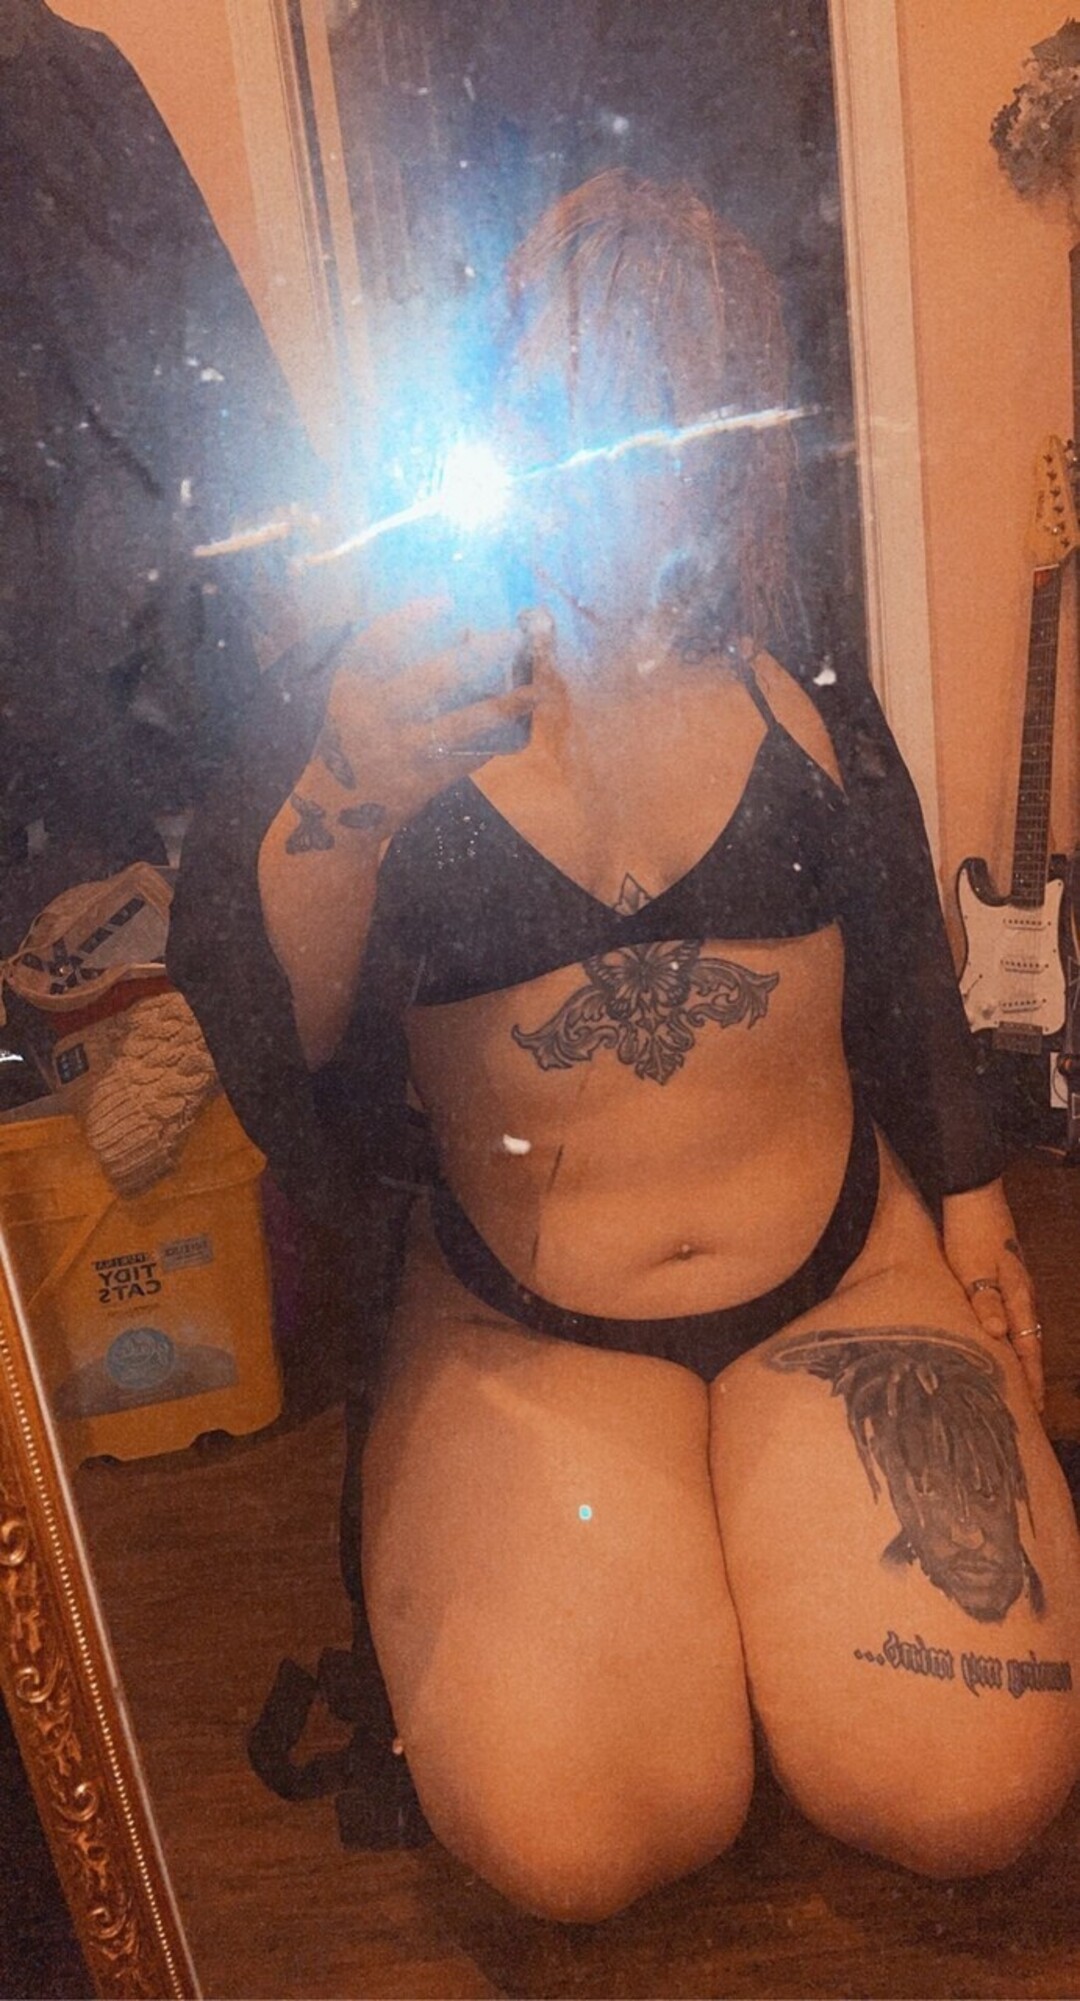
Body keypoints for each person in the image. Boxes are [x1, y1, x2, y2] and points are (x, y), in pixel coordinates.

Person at [189, 171, 1080, 1919]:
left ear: (724, 443)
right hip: (524, 1326)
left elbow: (905, 953)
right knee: (579, 1831)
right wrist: (343, 795)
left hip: (841, 1282)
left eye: (649, 414)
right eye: (551, 412)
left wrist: (975, 1200)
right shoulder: (387, 693)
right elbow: (277, 1050)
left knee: (976, 1781)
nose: (594, 465)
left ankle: (770, 1560)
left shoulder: (798, 672)